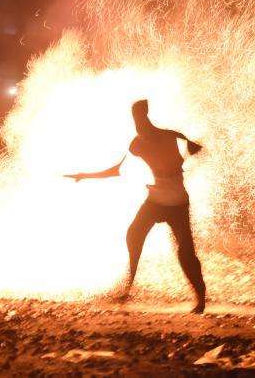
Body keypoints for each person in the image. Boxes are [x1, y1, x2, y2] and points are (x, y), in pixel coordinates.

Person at [64, 99, 207, 313]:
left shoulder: (168, 136)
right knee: (134, 234)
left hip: (177, 202)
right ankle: (128, 287)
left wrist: (187, 152)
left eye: (140, 120)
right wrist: (85, 175)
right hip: (157, 200)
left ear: (146, 118)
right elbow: (116, 170)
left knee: (185, 252)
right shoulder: (138, 143)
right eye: (135, 121)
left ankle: (200, 298)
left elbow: (192, 149)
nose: (138, 125)